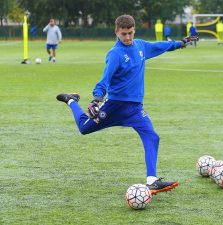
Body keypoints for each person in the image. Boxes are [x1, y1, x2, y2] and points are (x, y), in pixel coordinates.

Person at [56, 15, 197, 195]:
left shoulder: (140, 46)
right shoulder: (115, 54)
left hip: (135, 109)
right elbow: (104, 79)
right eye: (124, 34)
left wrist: (180, 43)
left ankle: (152, 181)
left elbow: (159, 46)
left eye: (130, 33)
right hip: (115, 107)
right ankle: (71, 101)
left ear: (134, 30)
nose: (128, 38)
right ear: (117, 32)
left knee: (152, 136)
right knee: (84, 128)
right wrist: (96, 99)